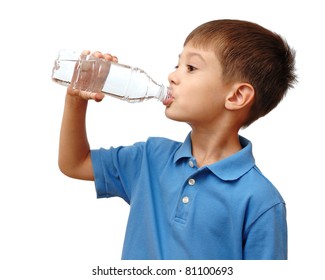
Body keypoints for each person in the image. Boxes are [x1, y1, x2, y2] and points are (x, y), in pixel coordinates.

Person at [58, 19, 297, 260]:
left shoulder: (261, 200)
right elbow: (75, 163)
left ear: (236, 96)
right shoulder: (150, 158)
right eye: (177, 64)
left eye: (191, 68)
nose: (172, 76)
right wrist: (77, 99)